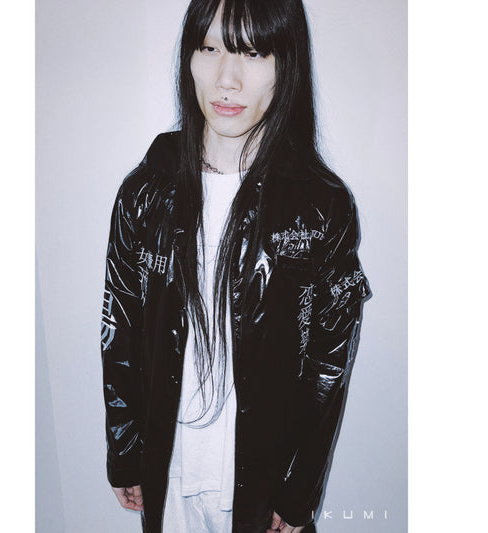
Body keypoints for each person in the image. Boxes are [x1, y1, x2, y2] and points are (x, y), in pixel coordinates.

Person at [100, 0, 371, 532]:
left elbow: (329, 367)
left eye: (252, 52)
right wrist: (124, 451)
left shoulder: (321, 206)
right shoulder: (145, 191)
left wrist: (298, 491)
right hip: (171, 478)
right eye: (209, 48)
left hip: (260, 489)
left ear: (285, 63)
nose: (227, 79)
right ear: (189, 58)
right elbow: (119, 332)